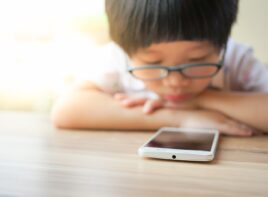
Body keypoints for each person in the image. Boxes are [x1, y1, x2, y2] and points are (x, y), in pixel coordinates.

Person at [51, 0, 268, 136]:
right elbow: (66, 110)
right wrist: (180, 118)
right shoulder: (117, 59)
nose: (174, 82)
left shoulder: (236, 60)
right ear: (126, 50)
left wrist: (202, 99)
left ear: (222, 44)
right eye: (153, 63)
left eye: (196, 59)